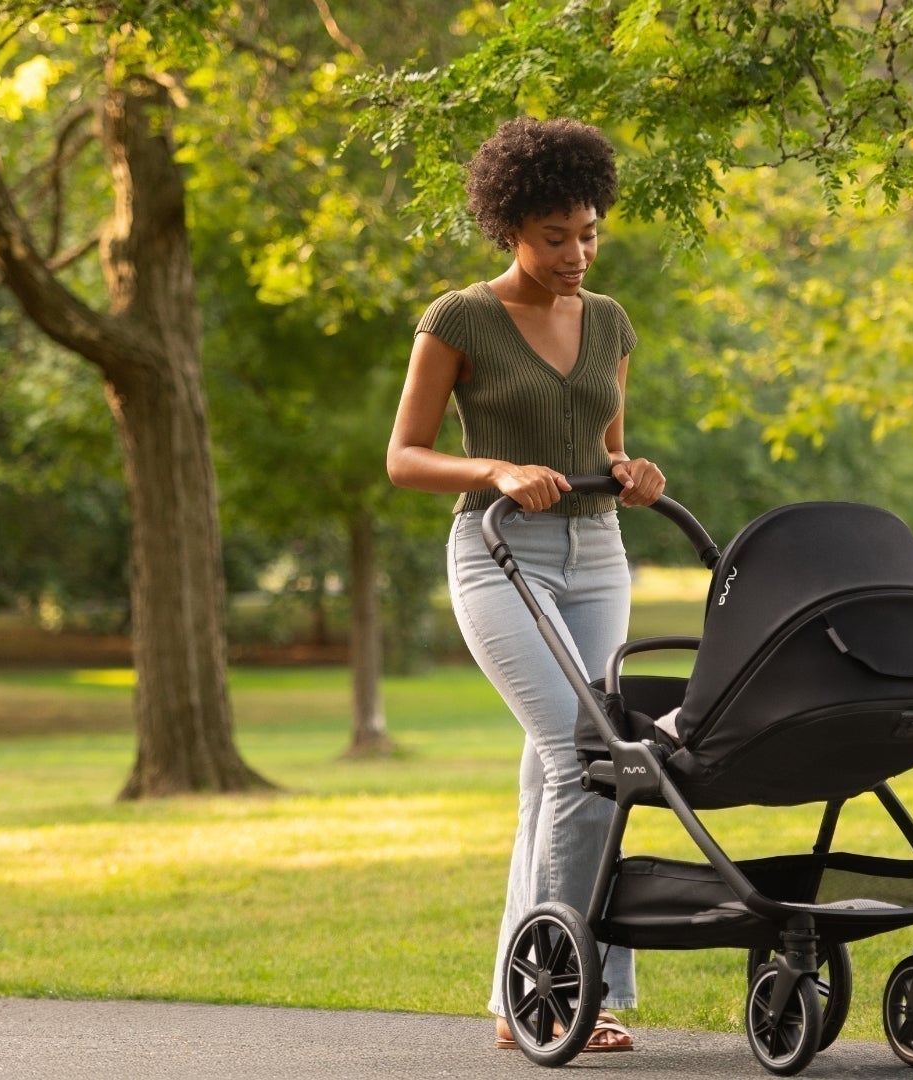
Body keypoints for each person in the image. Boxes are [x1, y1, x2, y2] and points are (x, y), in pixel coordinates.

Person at [385, 117, 666, 1052]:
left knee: (559, 775)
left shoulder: (611, 322)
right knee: (588, 760)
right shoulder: (459, 318)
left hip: (597, 557)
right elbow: (405, 457)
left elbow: (606, 445)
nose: (577, 253)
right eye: (556, 237)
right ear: (509, 227)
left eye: (589, 232)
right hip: (501, 555)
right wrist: (495, 471)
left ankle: (525, 1000)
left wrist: (633, 470)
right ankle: (567, 995)